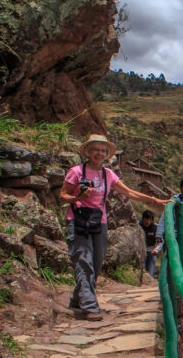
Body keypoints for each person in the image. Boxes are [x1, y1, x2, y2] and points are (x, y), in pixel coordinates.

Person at [58, 135, 168, 320]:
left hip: (99, 223)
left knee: (97, 261)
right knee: (83, 260)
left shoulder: (107, 174)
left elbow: (129, 192)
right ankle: (89, 306)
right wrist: (78, 198)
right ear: (88, 152)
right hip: (77, 221)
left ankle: (79, 298)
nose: (99, 153)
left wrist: (156, 200)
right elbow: (62, 196)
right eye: (96, 150)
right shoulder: (76, 172)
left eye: (103, 150)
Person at [140, 209, 158, 278]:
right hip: (141, 251)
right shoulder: (138, 226)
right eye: (146, 219)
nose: (147, 222)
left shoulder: (155, 228)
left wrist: (156, 250)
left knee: (151, 272)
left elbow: (160, 241)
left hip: (151, 251)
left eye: (149, 220)